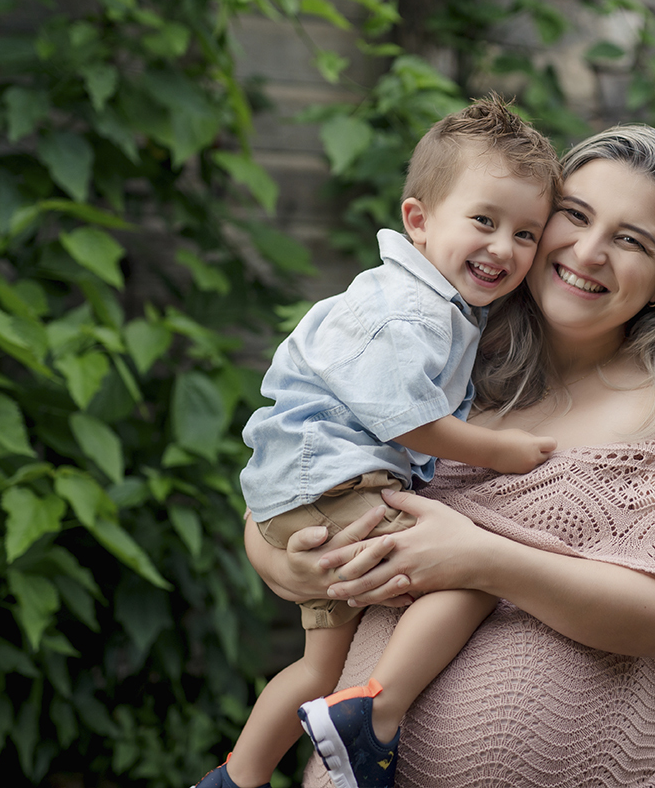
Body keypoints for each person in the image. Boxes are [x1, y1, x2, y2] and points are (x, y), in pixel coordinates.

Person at [243, 123, 655, 788]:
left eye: (631, 241)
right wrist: (283, 558)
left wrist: (484, 560)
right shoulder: (447, 355)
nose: (590, 251)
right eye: (575, 216)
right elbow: (295, 464)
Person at [194, 96, 562, 788]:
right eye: (484, 221)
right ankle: (374, 715)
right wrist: (502, 451)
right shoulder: (410, 312)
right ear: (418, 222)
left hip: (310, 487)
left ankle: (232, 779)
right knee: (475, 575)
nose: (503, 248)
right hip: (335, 483)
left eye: (525, 234)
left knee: (315, 668)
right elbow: (407, 421)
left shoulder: (437, 303)